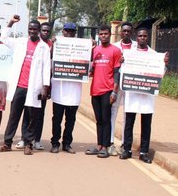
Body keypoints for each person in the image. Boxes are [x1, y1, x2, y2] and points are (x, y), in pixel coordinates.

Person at [0, 18, 51, 155]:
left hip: (34, 87)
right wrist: (10, 23)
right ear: (28, 29)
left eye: (35, 29)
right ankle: (7, 143)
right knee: (14, 116)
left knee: (31, 117)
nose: (32, 31)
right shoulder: (20, 42)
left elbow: (46, 67)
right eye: (30, 29)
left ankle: (28, 144)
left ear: (38, 31)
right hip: (19, 86)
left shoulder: (44, 47)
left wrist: (45, 87)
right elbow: (3, 37)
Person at [119, 28, 169, 164]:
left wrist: (164, 63)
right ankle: (127, 149)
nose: (142, 38)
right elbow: (122, 71)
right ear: (137, 37)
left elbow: (160, 74)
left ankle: (143, 152)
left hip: (147, 94)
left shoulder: (154, 55)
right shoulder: (129, 54)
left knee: (146, 124)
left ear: (148, 38)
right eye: (140, 36)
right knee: (129, 122)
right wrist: (122, 62)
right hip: (132, 93)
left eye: (145, 36)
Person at [85, 24, 122, 158]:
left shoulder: (115, 50)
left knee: (106, 119)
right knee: (99, 119)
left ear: (110, 34)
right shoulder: (95, 50)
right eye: (101, 34)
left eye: (106, 33)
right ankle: (99, 145)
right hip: (95, 89)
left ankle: (105, 146)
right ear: (99, 35)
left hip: (108, 90)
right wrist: (90, 53)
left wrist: (114, 91)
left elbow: (117, 72)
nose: (103, 36)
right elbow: (90, 68)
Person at [16, 22, 52, 150]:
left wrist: (46, 87)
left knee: (39, 114)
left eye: (48, 31)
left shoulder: (52, 46)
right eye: (43, 30)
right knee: (28, 113)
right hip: (29, 85)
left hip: (44, 86)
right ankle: (25, 139)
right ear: (39, 31)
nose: (45, 33)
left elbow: (48, 68)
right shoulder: (33, 44)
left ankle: (36, 139)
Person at [50, 22, 81, 154]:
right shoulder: (56, 45)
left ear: (75, 33)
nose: (69, 33)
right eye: (66, 31)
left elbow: (88, 66)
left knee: (71, 119)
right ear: (62, 32)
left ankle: (67, 143)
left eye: (71, 31)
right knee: (56, 119)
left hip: (74, 91)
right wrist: (52, 46)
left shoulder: (81, 48)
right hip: (59, 90)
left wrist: (90, 48)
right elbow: (49, 60)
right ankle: (55, 143)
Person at [109, 21, 137, 155]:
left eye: (128, 31)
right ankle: (110, 142)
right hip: (116, 83)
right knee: (113, 111)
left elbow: (152, 58)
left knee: (128, 113)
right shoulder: (114, 47)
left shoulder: (137, 47)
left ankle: (125, 144)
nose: (126, 33)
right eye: (124, 31)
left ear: (132, 33)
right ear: (120, 32)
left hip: (131, 84)